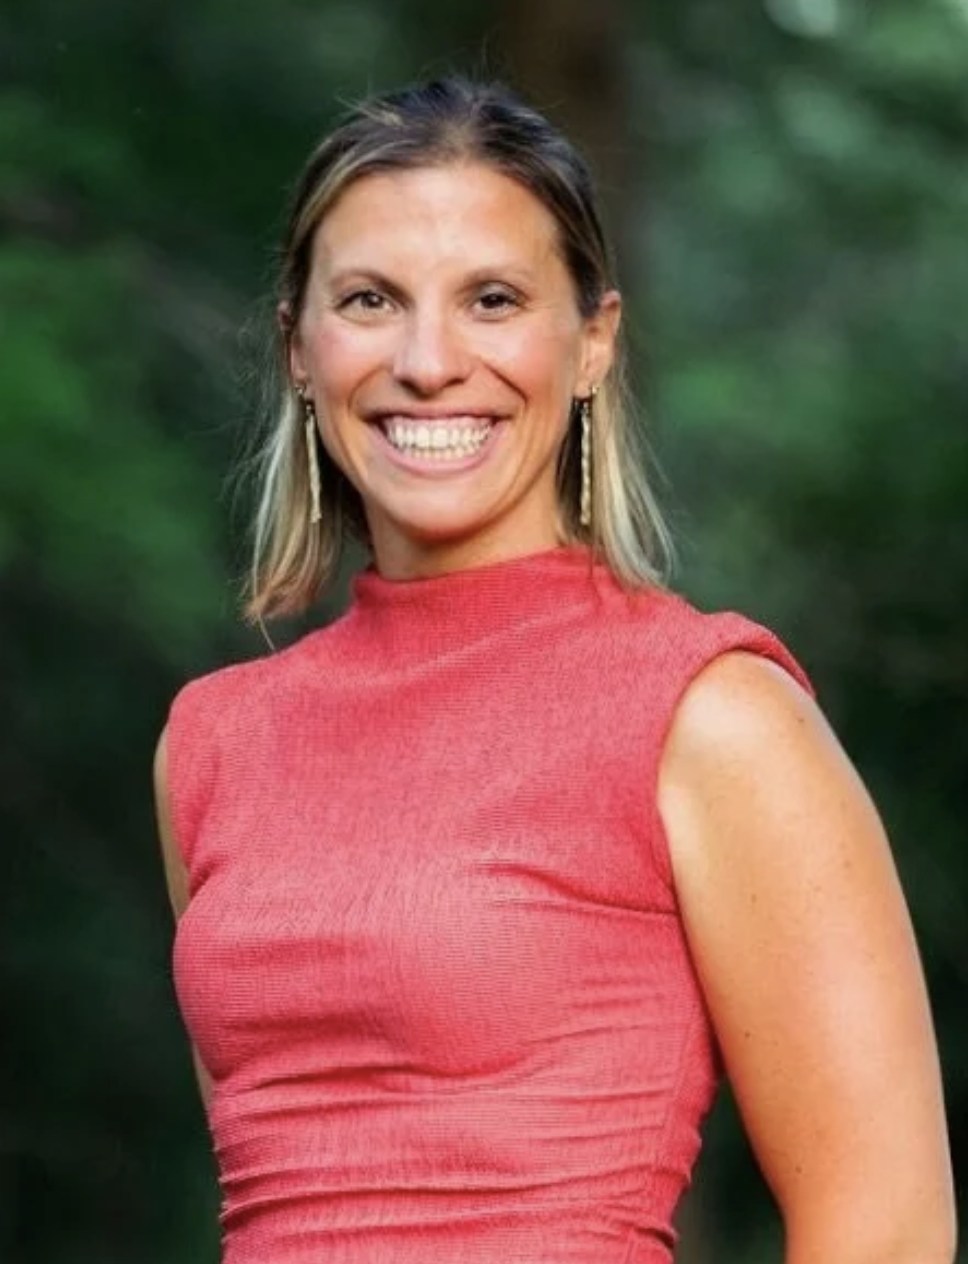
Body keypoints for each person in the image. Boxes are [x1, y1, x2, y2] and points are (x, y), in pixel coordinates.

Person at [153, 77, 955, 1264]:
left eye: (491, 299)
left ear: (590, 343)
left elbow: (883, 1231)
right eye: (369, 300)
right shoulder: (212, 739)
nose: (428, 362)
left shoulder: (706, 710)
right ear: (298, 346)